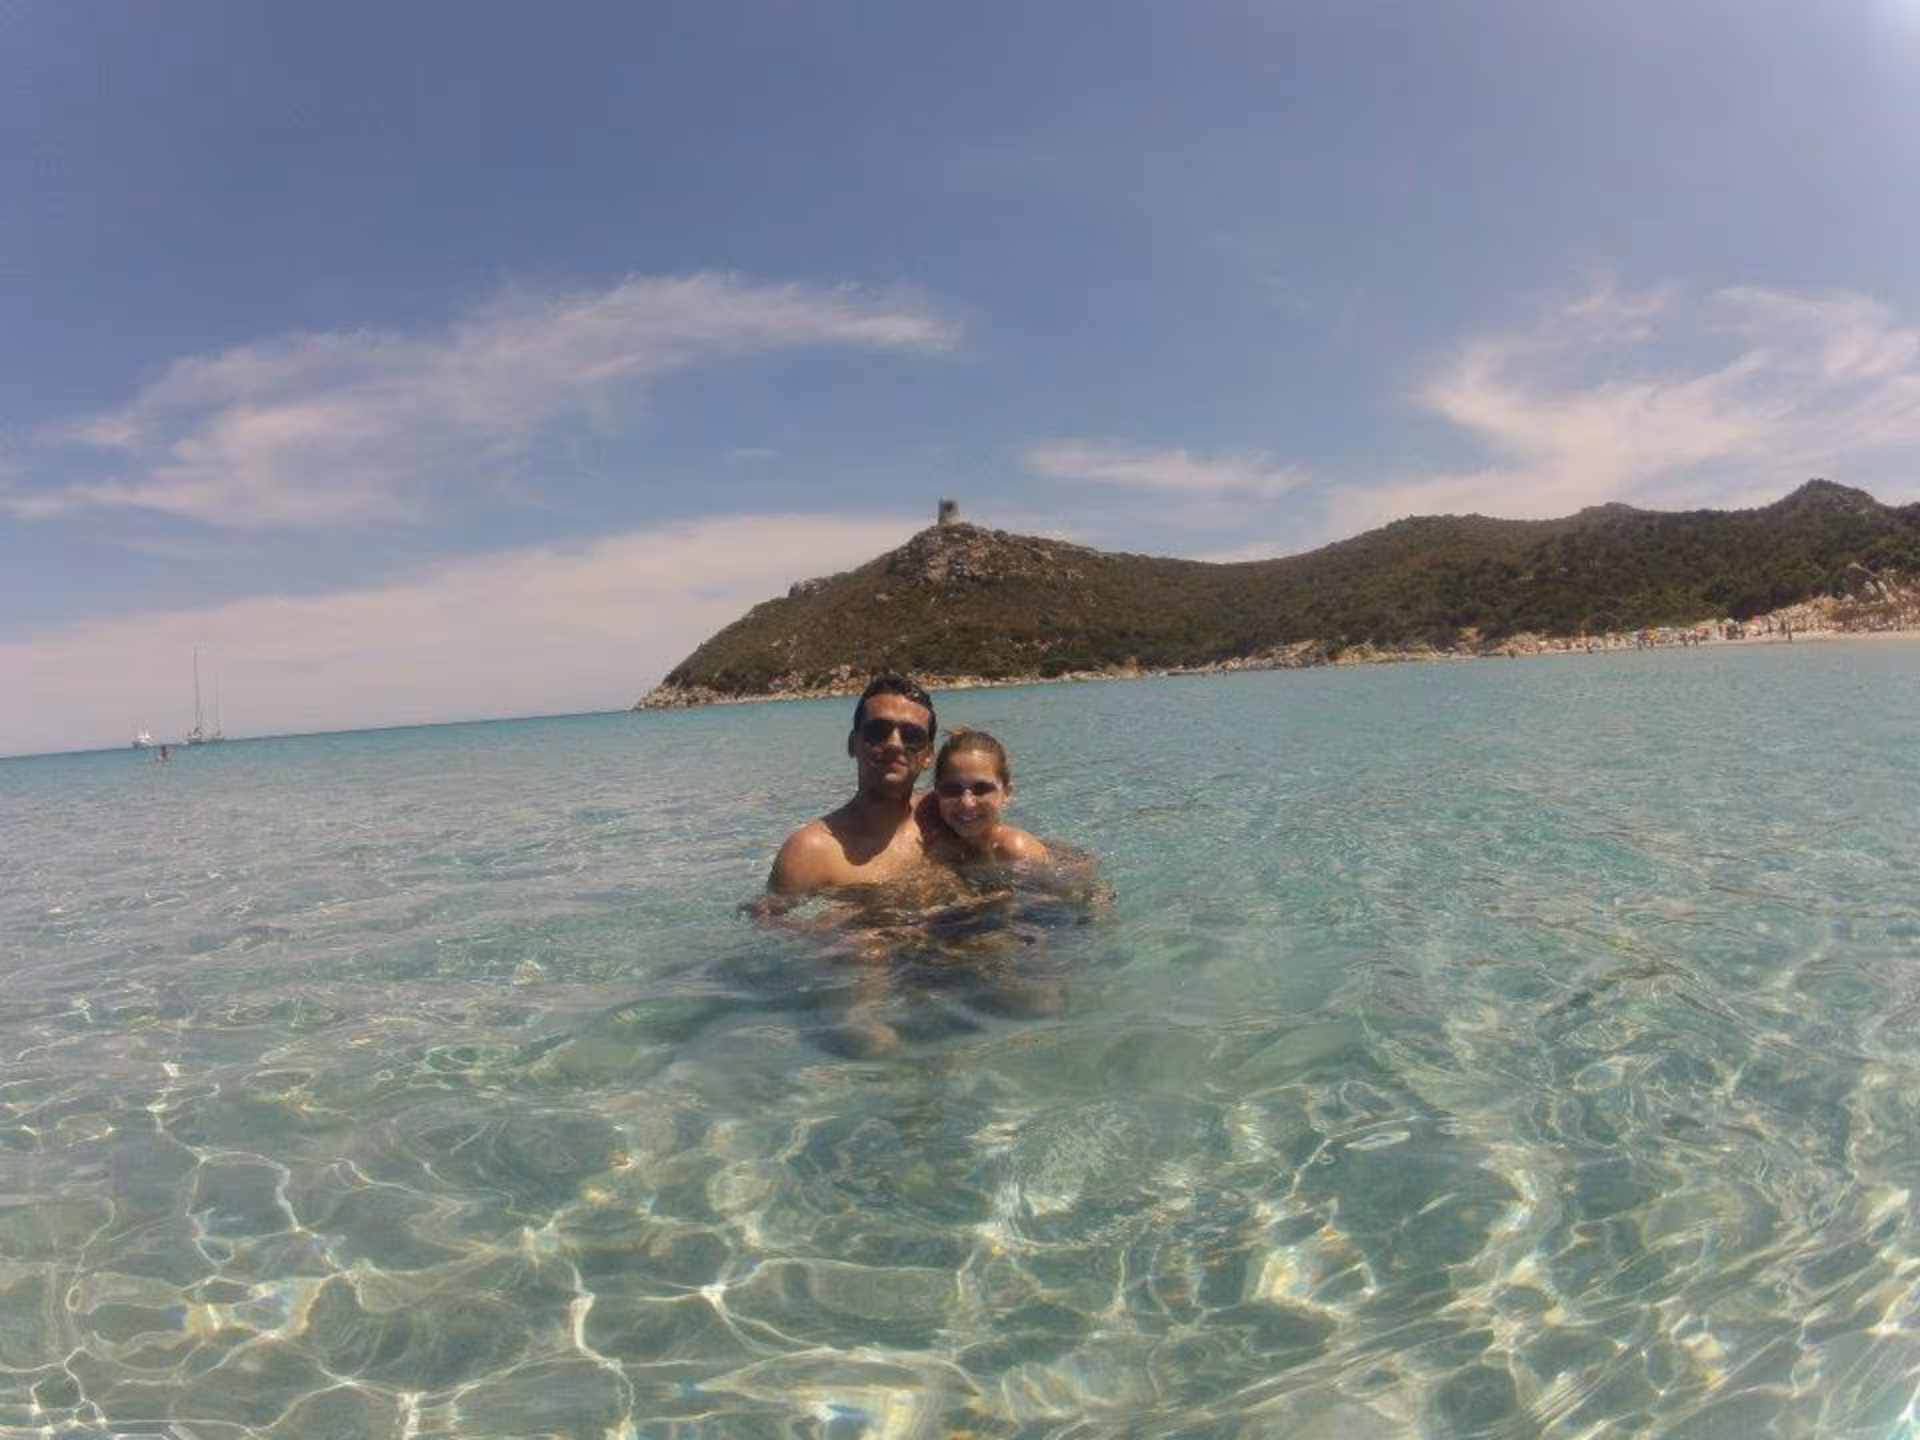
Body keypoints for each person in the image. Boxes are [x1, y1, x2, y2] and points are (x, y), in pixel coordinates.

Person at [767, 674, 941, 896]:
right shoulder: (810, 852)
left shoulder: (947, 817)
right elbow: (774, 925)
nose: (894, 744)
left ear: (929, 756)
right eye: (878, 732)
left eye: (912, 736)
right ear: (852, 744)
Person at [923, 729, 1048, 867]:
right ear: (937, 792)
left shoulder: (1016, 849)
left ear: (1007, 794)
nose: (967, 803)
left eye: (981, 789)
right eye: (952, 790)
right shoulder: (941, 838)